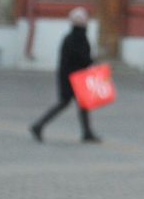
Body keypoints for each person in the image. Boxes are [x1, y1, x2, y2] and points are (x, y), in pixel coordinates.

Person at [30, 7, 100, 143]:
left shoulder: (70, 37)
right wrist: (93, 61)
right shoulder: (79, 37)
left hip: (68, 76)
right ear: (81, 21)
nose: (87, 21)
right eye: (85, 18)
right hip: (74, 78)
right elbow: (82, 58)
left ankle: (87, 132)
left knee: (80, 104)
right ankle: (38, 125)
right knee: (66, 103)